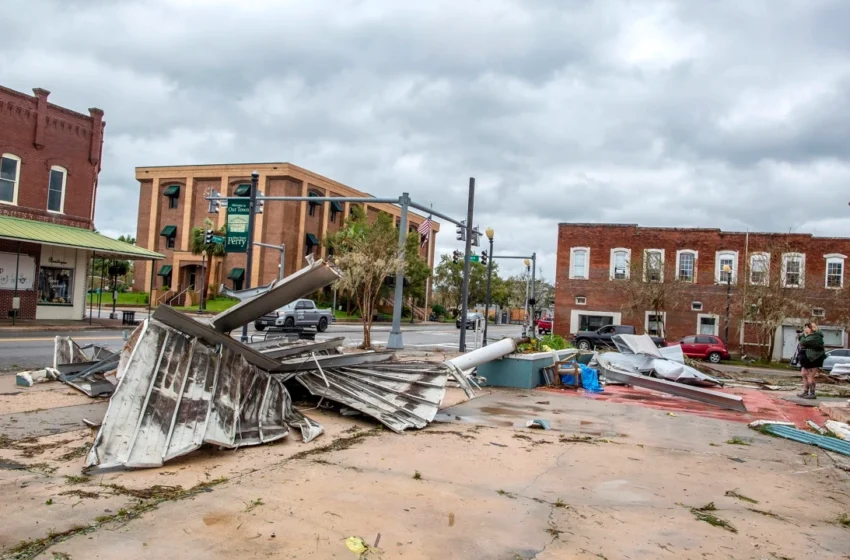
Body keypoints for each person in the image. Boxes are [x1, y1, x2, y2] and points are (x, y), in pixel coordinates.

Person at [797, 323, 825, 399]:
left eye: (808, 327)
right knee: (803, 374)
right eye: (805, 327)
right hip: (807, 358)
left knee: (810, 376)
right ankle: (805, 391)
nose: (806, 329)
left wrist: (802, 336)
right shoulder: (808, 336)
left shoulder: (816, 336)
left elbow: (803, 342)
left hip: (814, 358)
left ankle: (812, 393)